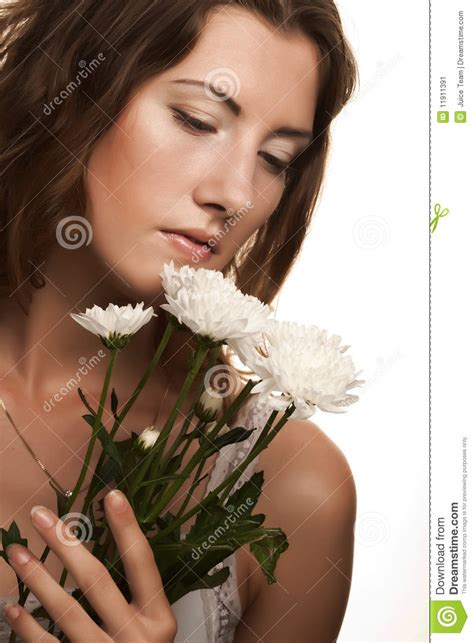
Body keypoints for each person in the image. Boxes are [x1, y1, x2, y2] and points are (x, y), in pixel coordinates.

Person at [0, 1, 359, 640]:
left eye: (276, 159)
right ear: (76, 90)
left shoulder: (293, 491)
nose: (238, 194)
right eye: (197, 120)